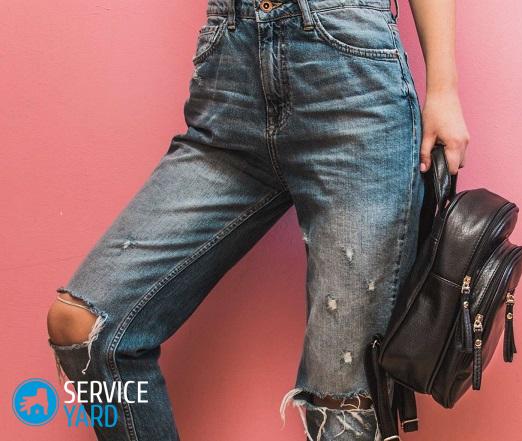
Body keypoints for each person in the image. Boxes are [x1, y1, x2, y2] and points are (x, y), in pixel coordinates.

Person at [46, 0, 469, 439]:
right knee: (84, 325)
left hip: (352, 86)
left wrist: (444, 89)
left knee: (343, 412)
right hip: (230, 76)